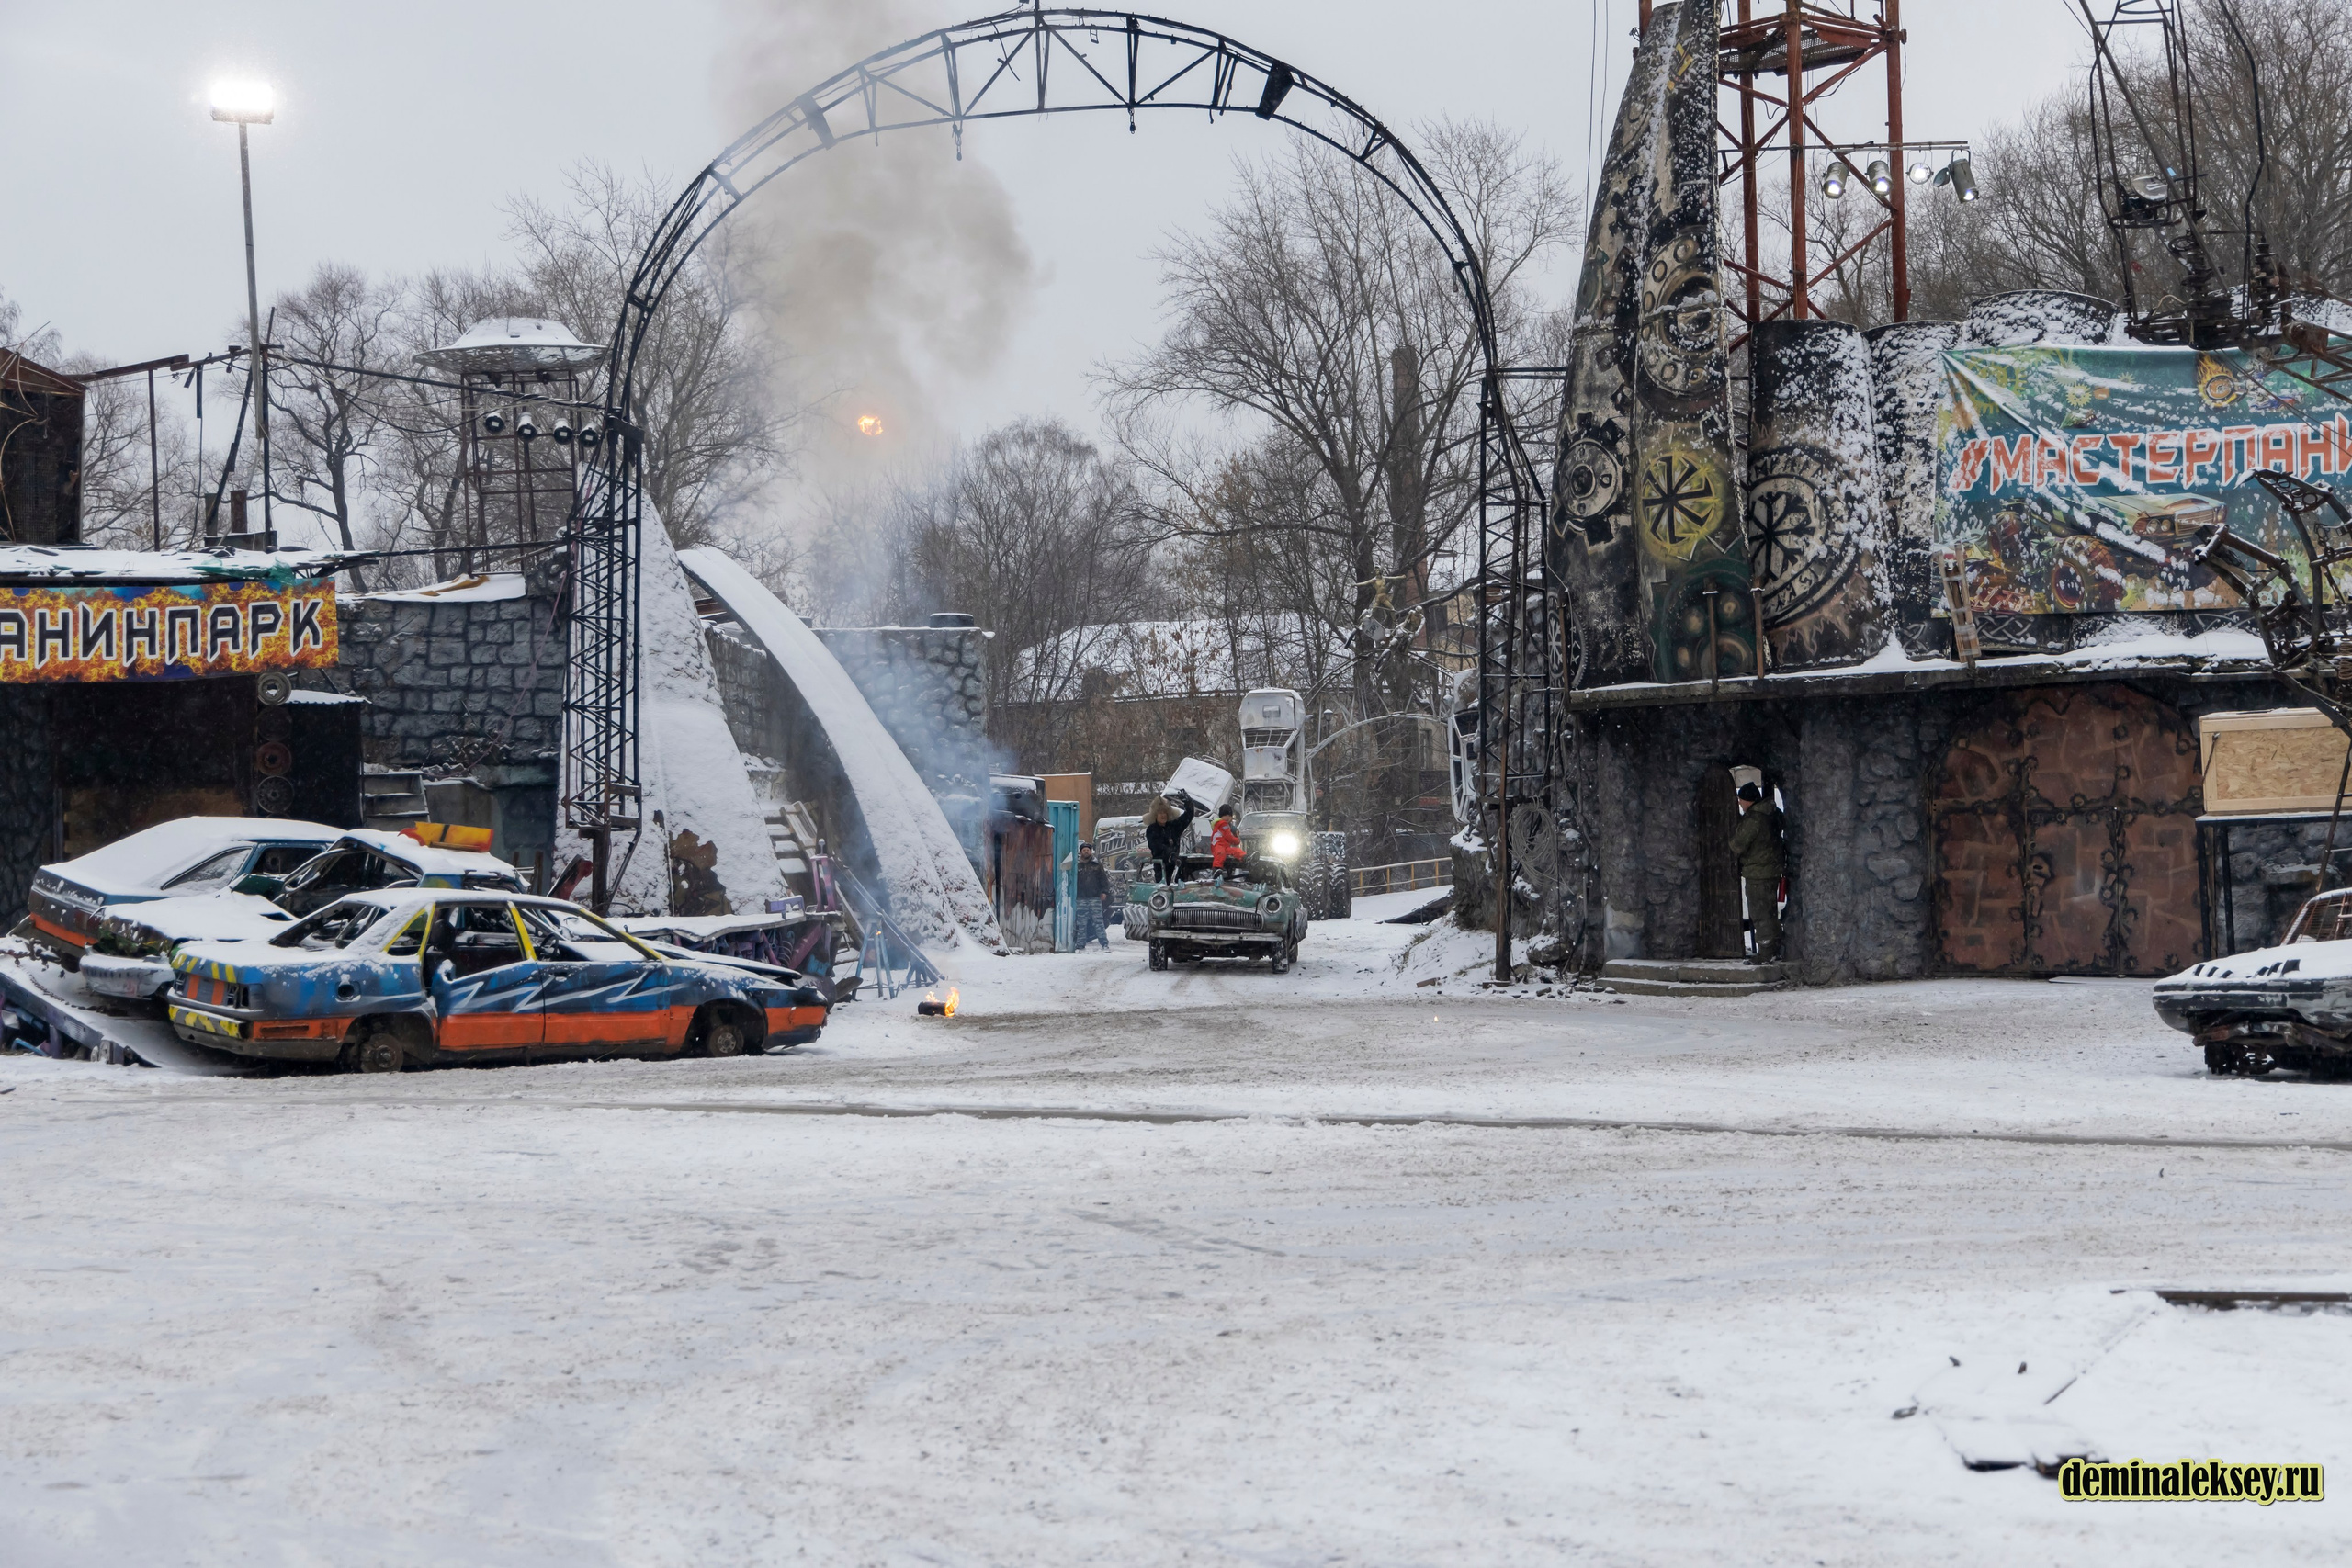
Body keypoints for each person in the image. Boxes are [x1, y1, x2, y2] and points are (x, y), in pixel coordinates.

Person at [1730, 780, 1786, 964]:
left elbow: (1738, 845)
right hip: (1771, 870)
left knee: (1760, 914)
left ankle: (1765, 954)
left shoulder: (1754, 819)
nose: (1739, 802)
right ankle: (1775, 949)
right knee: (1769, 912)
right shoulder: (1772, 813)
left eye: (1741, 799)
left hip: (1757, 872)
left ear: (1749, 800)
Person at [1144, 794, 1196, 884]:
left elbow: (1187, 817)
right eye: (1160, 813)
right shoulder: (1152, 829)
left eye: (1165, 812)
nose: (1163, 815)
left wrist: (1189, 803)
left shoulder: (1173, 826)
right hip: (1162, 871)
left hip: (1177, 869)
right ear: (1155, 815)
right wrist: (1170, 855)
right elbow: (1156, 846)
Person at [1072, 841, 1113, 952]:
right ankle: (1080, 944)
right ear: (1081, 852)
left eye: (1088, 850)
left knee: (1098, 922)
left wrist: (1104, 892)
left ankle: (1104, 943)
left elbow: (1103, 880)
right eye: (1084, 850)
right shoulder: (1076, 865)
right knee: (1081, 923)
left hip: (1095, 898)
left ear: (1091, 852)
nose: (1086, 852)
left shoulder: (1097, 865)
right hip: (1081, 898)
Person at [1208, 804, 1244, 878]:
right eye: (1226, 815)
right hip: (1218, 844)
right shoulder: (1222, 824)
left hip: (1225, 846)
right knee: (1220, 853)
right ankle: (1217, 869)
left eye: (1229, 816)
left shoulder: (1227, 825)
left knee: (1235, 851)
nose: (1228, 818)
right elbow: (1229, 837)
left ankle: (1245, 856)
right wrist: (1237, 841)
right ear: (1221, 816)